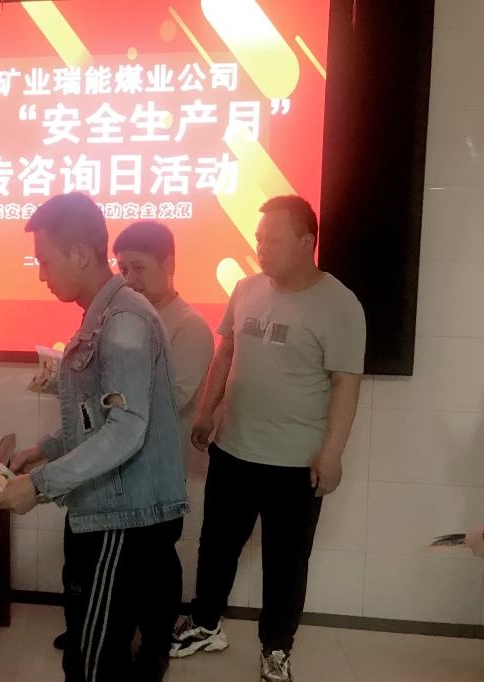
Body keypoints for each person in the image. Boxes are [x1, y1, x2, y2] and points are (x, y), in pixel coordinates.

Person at [171, 195, 366, 682]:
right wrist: (206, 411)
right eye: (258, 239)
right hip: (233, 449)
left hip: (295, 464)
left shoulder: (340, 305)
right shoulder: (246, 288)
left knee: (286, 563)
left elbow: (346, 384)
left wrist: (333, 454)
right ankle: (205, 624)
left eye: (273, 241)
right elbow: (226, 352)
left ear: (306, 242)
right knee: (216, 548)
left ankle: (276, 648)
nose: (261, 249)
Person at [0, 192, 188, 682]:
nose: (41, 274)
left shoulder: (123, 322)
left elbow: (125, 430)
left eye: (45, 261)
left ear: (80, 254)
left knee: (94, 662)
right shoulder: (104, 315)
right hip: (105, 509)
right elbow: (93, 419)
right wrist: (42, 450)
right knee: (90, 646)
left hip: (122, 519)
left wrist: (39, 485)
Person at [113, 220, 214, 461]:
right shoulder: (125, 316)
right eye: (123, 270)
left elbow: (169, 401)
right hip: (119, 454)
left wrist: (107, 398)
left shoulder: (191, 327)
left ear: (169, 265)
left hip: (157, 462)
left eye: (138, 268)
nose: (129, 279)